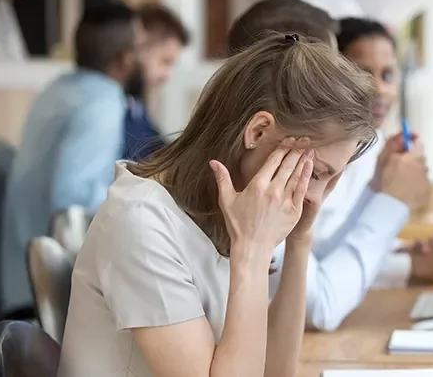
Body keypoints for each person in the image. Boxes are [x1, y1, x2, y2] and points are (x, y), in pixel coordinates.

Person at [59, 33, 377, 377]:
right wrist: (252, 255)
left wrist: (299, 242)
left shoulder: (229, 216)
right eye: (314, 174)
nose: (314, 198)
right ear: (257, 132)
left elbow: (274, 373)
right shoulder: (141, 221)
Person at [231, 1, 433, 331]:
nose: (358, 90)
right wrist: (391, 203)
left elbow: (319, 259)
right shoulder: (257, 188)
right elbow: (322, 305)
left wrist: (378, 190)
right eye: (337, 73)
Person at [0, 3, 144, 312]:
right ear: (126, 57)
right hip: (47, 289)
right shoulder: (101, 103)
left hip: (20, 274)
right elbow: (72, 203)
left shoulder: (58, 89)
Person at [122, 3, 190, 162]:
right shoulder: (114, 109)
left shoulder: (137, 108)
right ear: (139, 47)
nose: (167, 75)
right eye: (165, 61)